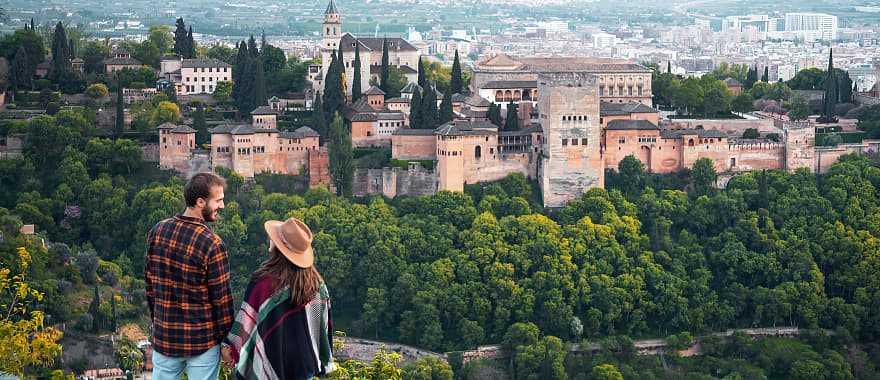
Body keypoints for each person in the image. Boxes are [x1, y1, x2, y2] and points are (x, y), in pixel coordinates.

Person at [145, 172, 234, 380]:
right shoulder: (212, 244)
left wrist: (157, 322)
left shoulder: (158, 231)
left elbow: (149, 286)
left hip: (164, 337)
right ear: (200, 201)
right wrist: (227, 343)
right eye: (218, 200)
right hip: (201, 343)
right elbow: (221, 302)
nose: (222, 206)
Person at [222, 217, 335, 379]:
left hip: (266, 364)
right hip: (303, 366)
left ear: (279, 247)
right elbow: (322, 328)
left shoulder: (262, 283)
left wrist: (229, 349)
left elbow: (246, 322)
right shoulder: (318, 285)